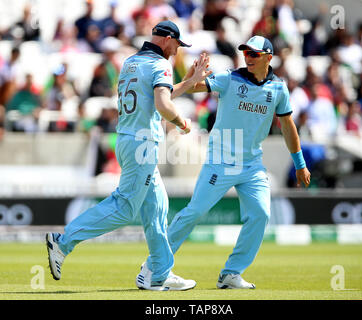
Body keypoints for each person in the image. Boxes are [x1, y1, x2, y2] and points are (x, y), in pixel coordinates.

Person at [46, 20, 211, 291]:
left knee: (157, 207)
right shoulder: (160, 65)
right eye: (177, 45)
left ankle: (158, 273)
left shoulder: (131, 62)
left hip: (128, 139)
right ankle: (62, 242)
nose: (177, 51)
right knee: (125, 208)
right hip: (142, 144)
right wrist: (182, 122)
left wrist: (190, 82)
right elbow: (162, 104)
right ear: (168, 40)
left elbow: (159, 96)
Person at [166, 35, 311, 289]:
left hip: (252, 165)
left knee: (260, 214)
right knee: (195, 212)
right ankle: (155, 264)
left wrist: (300, 164)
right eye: (246, 53)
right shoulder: (229, 78)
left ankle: (231, 273)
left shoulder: (278, 88)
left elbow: (288, 127)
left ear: (269, 57)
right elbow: (190, 88)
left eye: (254, 54)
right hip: (220, 162)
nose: (248, 58)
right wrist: (192, 74)